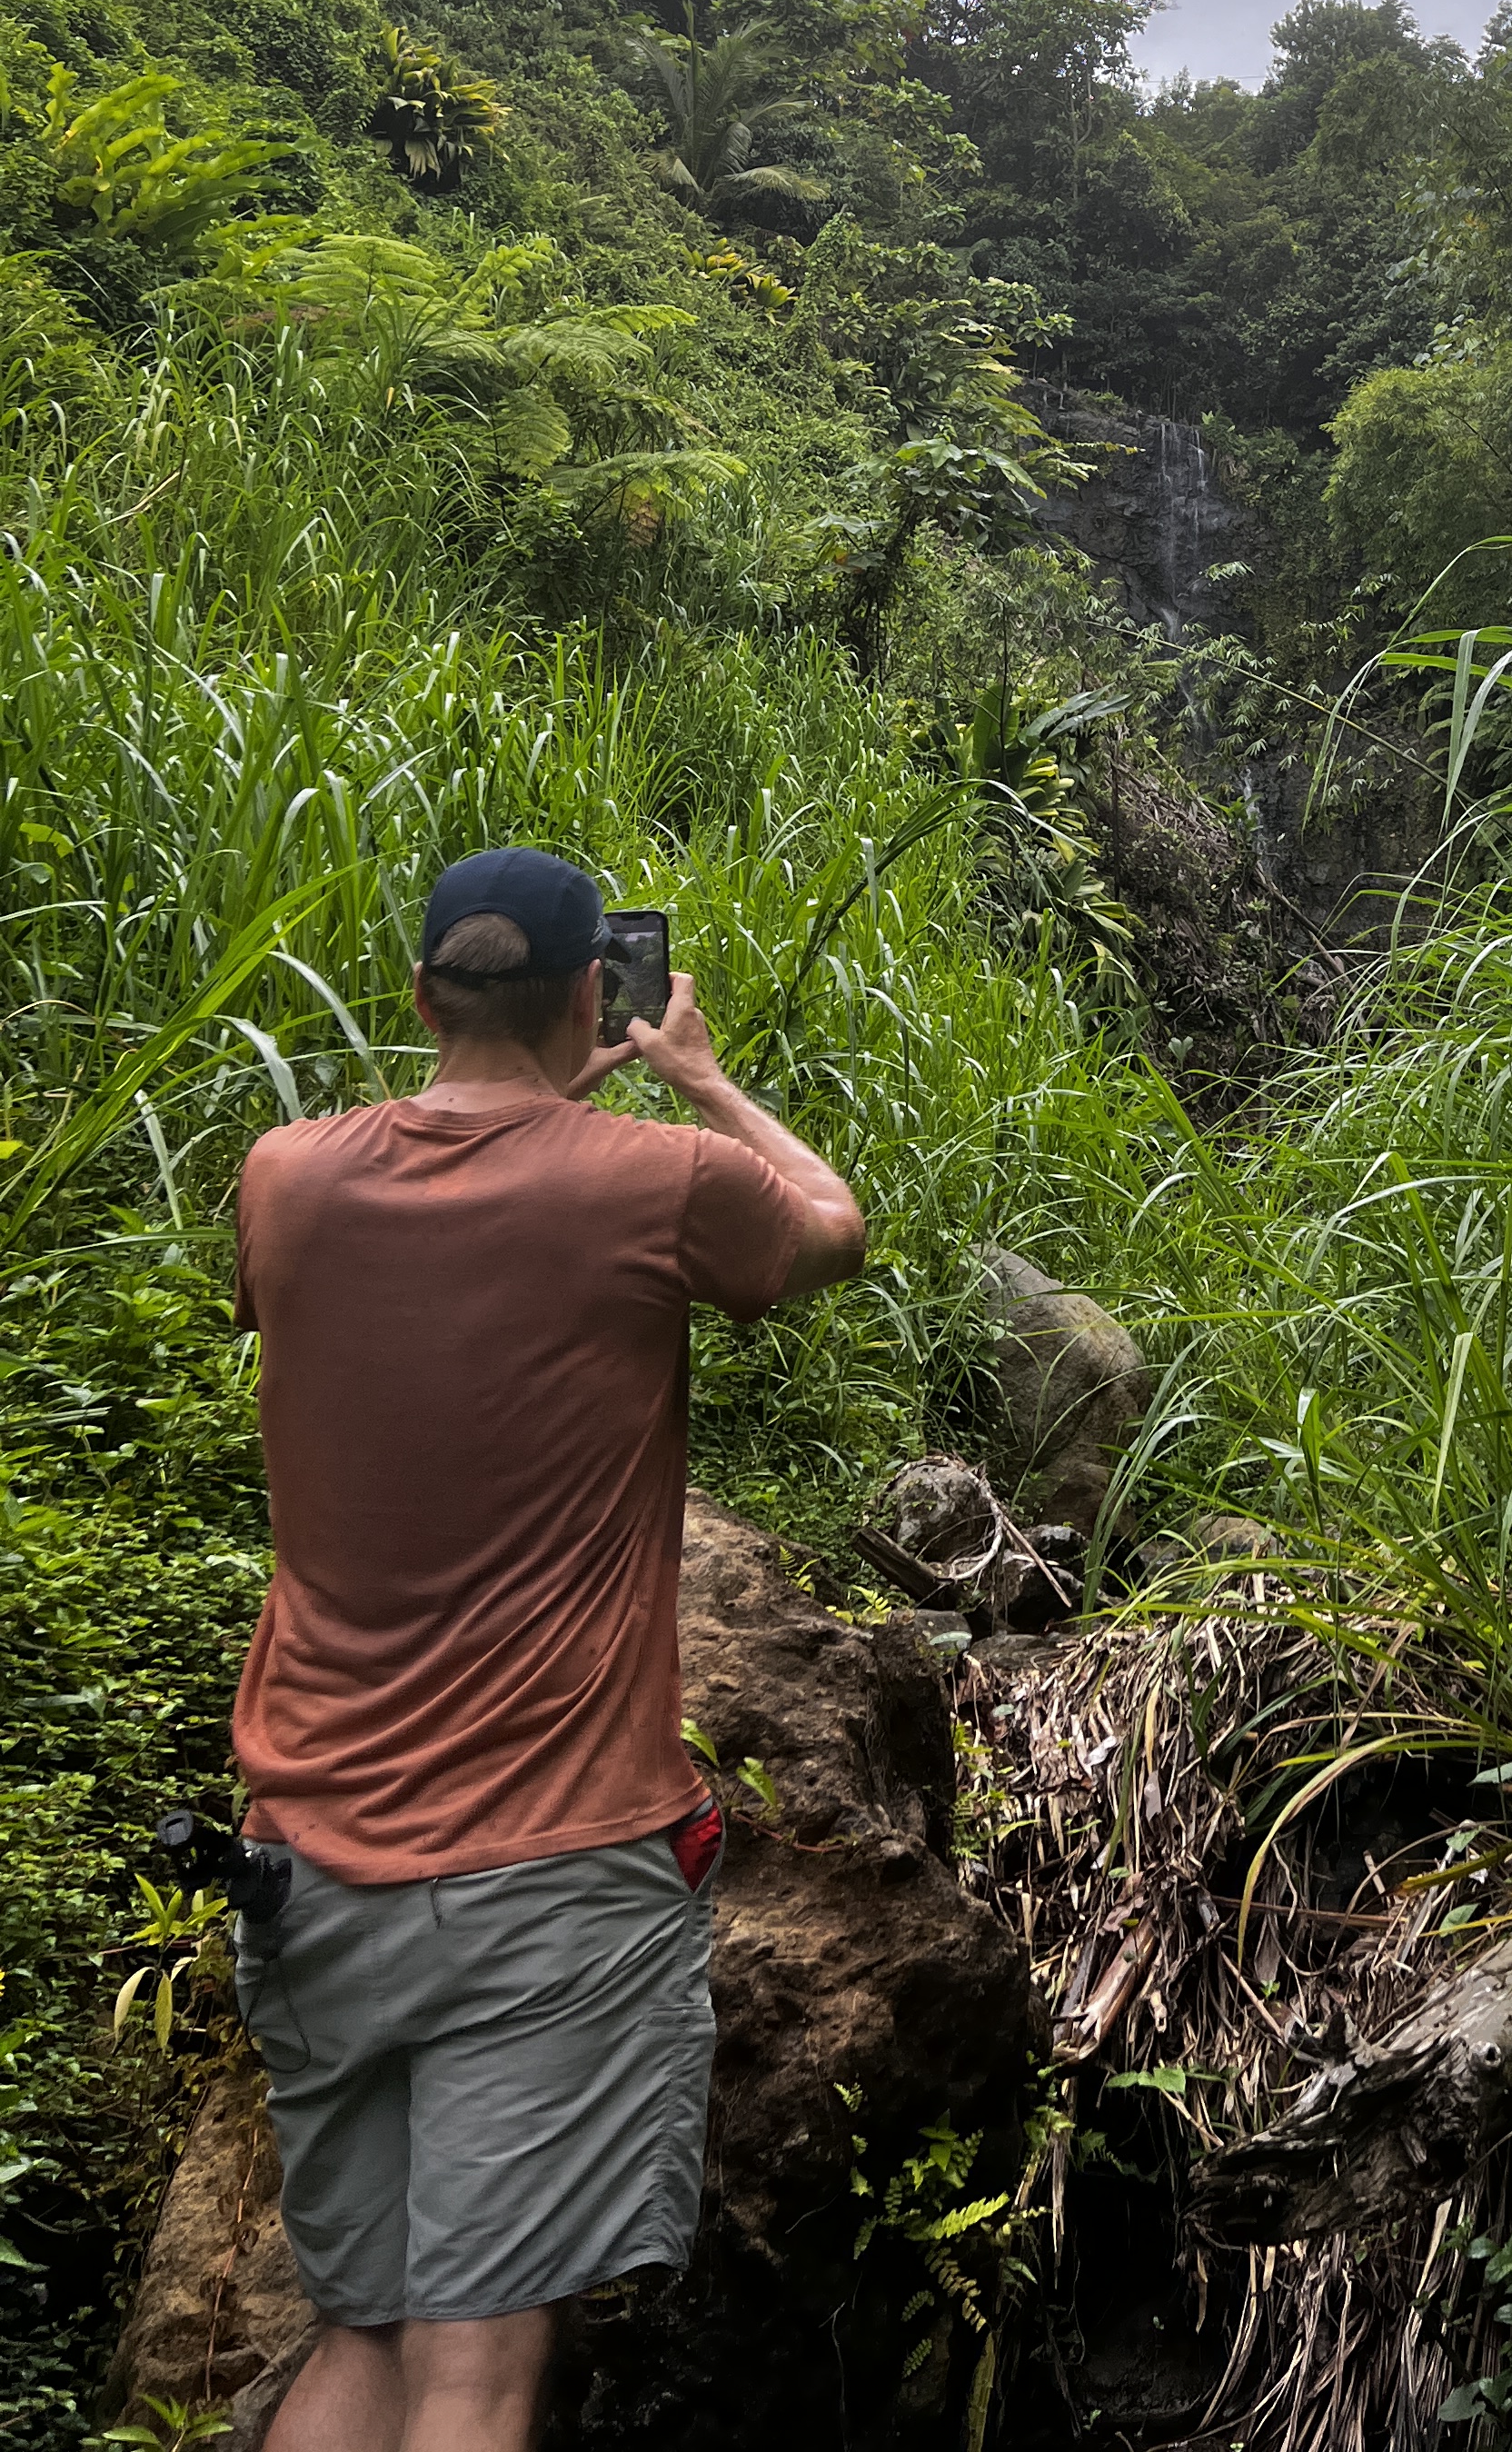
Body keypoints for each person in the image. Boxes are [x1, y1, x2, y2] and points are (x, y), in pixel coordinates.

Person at [226, 846, 865, 2452]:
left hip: (309, 1867)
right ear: (599, 991)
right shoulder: (659, 1180)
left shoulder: (287, 1177)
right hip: (548, 1871)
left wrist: (537, 1091)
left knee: (364, 2336)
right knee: (475, 2379)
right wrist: (697, 1078)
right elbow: (831, 1228)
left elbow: (436, 1219)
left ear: (420, 995)